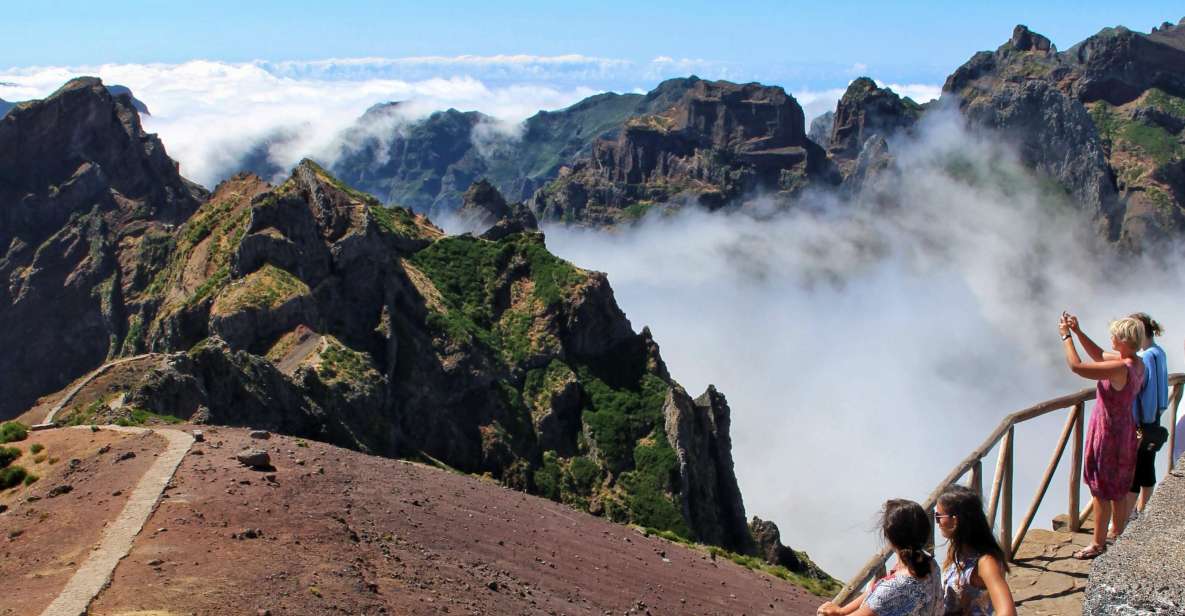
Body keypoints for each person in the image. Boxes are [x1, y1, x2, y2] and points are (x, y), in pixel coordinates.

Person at [1060, 314, 1145, 558]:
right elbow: (1098, 355)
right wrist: (1078, 331)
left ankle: (1098, 543)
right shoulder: (1137, 363)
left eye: (1115, 335)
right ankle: (1118, 534)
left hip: (1108, 433)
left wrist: (1065, 337)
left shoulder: (1120, 367)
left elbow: (1077, 367)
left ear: (1125, 340)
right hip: (1125, 430)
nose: (1111, 338)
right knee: (1118, 488)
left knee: (1100, 489)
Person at [817, 500, 941, 616]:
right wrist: (842, 611)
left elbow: (882, 597)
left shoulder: (894, 586)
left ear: (889, 535)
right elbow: (875, 594)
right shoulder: (929, 564)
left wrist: (835, 611)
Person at [935, 485, 1016, 616]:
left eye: (938, 516)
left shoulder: (986, 562)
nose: (937, 522)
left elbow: (1008, 612)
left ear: (955, 521)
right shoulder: (957, 551)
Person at [1125, 313, 1168, 516]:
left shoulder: (1146, 356)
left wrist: (1141, 422)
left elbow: (1147, 390)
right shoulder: (1159, 352)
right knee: (1147, 464)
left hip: (1143, 419)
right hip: (1153, 418)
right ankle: (1144, 508)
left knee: (1134, 468)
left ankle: (1129, 514)